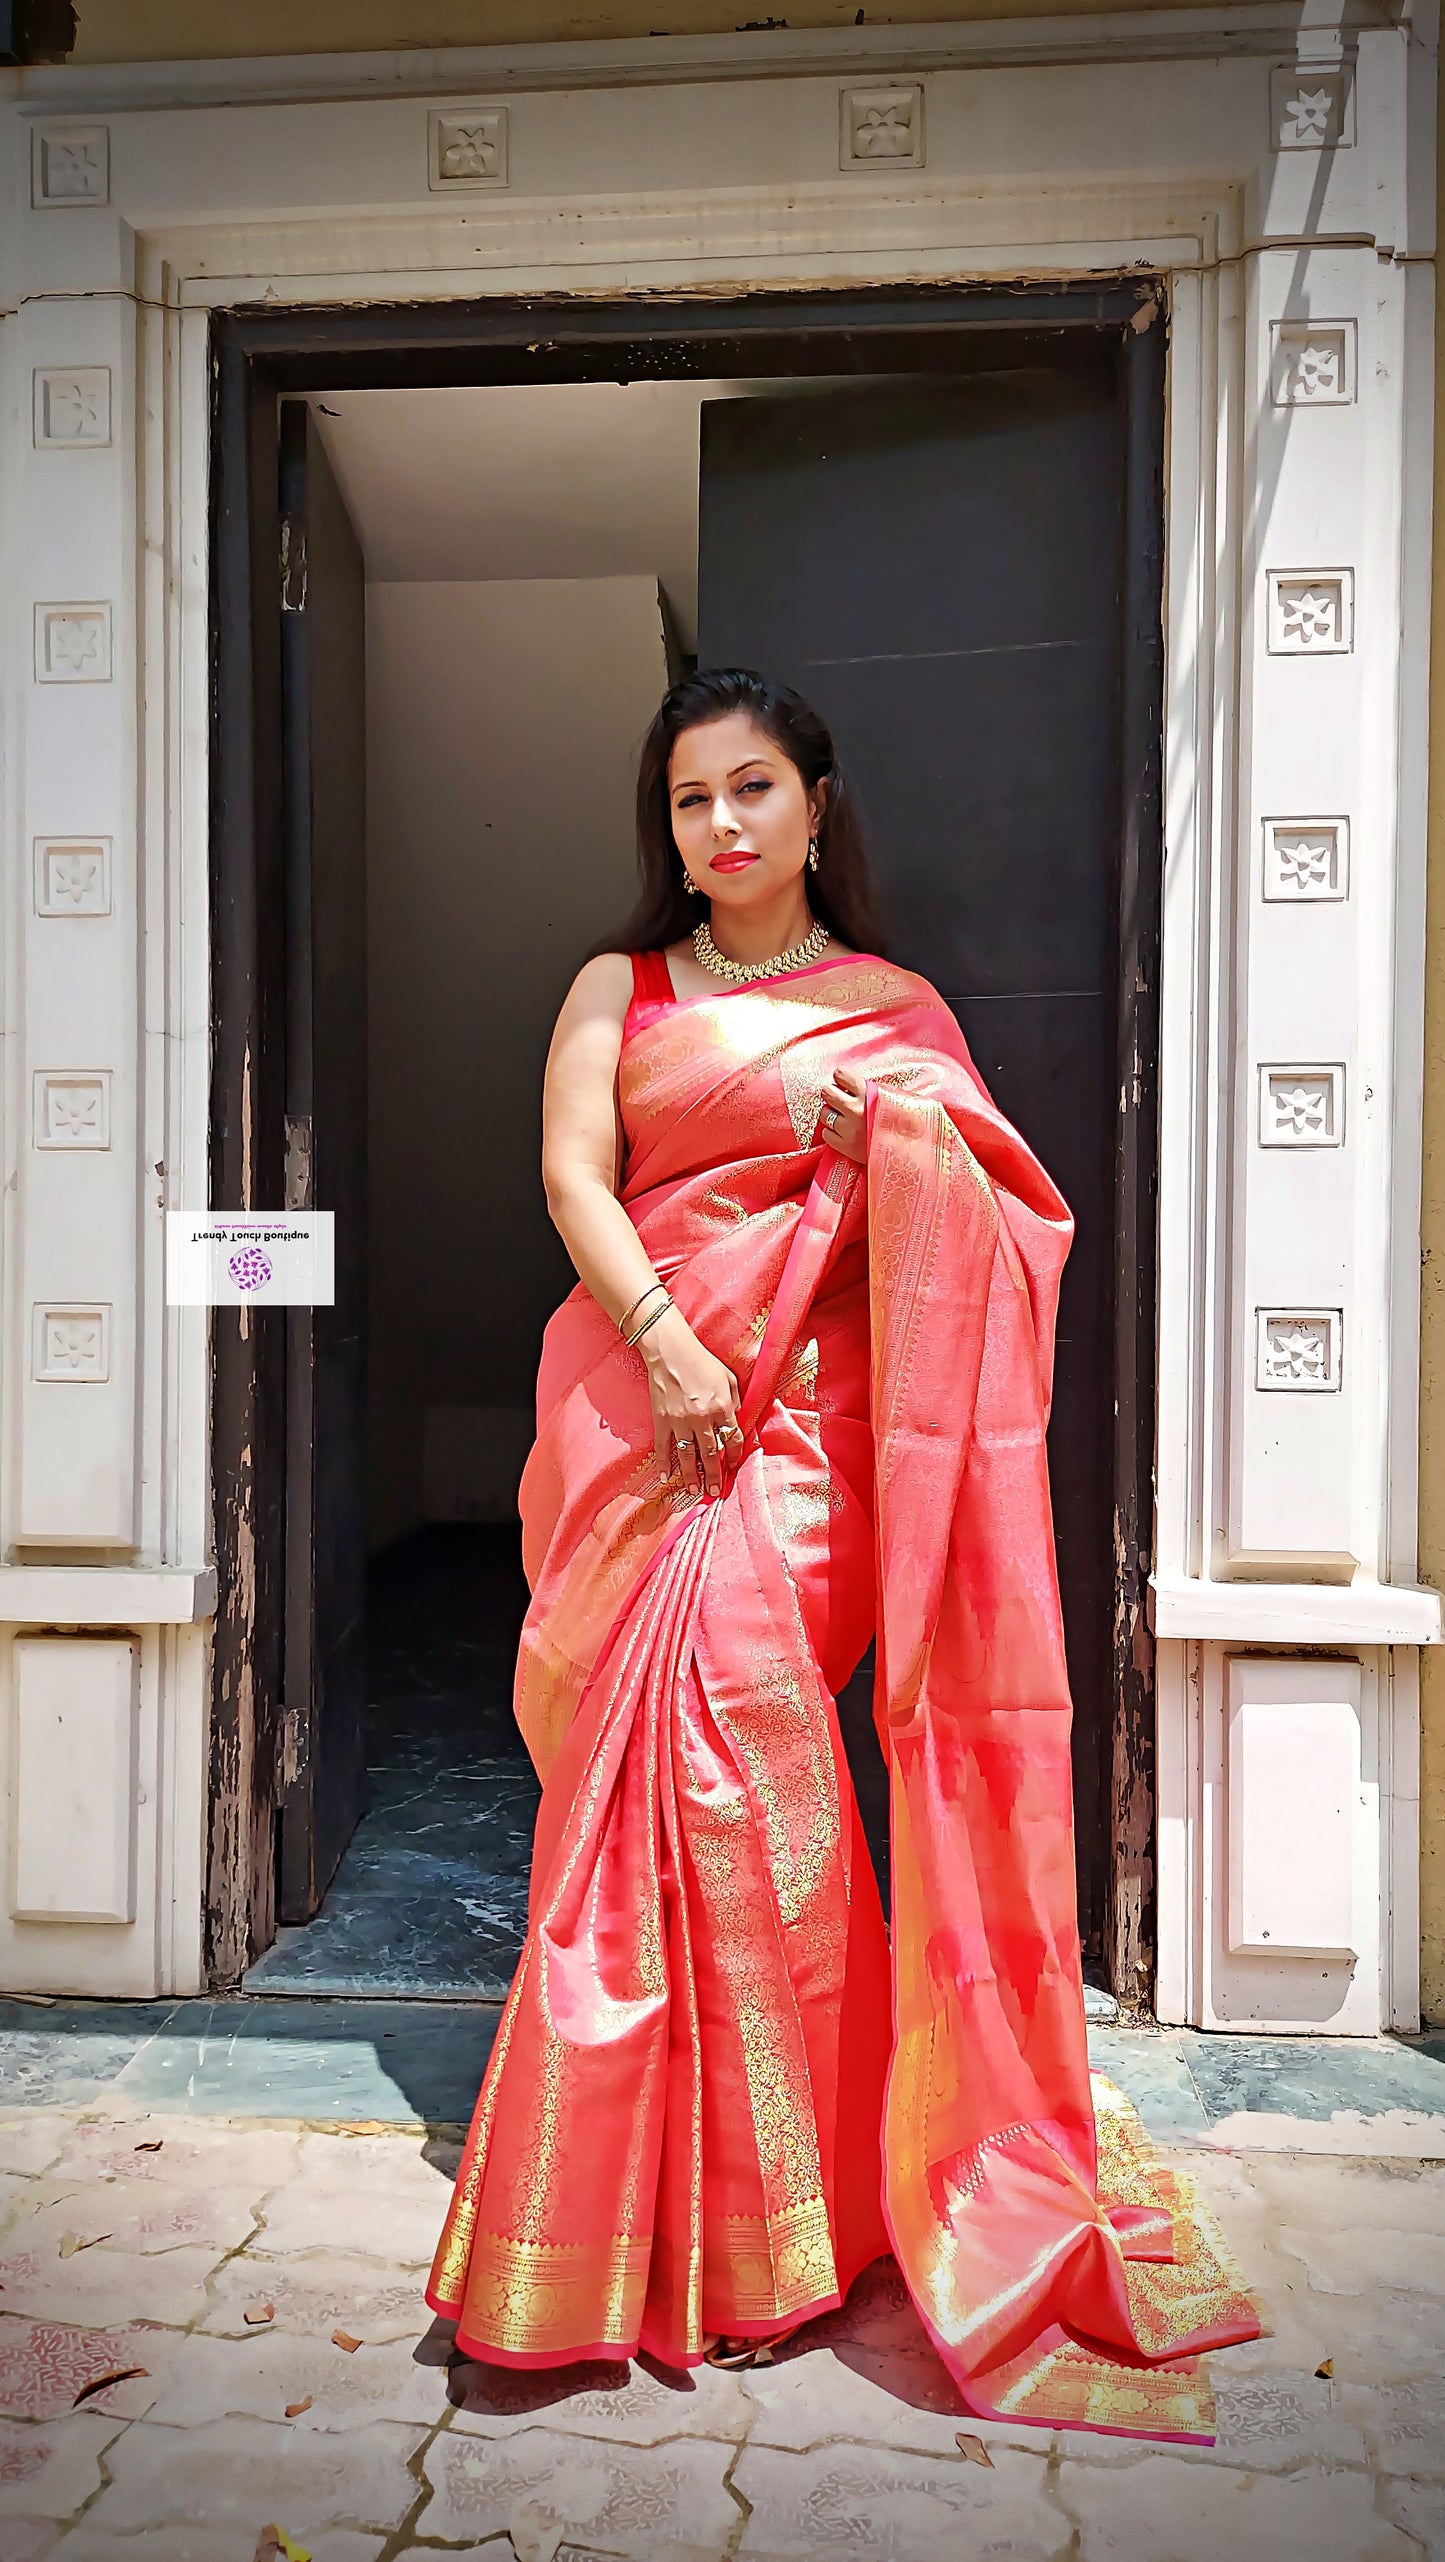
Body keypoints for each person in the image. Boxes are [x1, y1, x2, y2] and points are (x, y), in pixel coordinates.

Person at [427, 667, 1257, 2435]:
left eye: (748, 790)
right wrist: (661, 1342)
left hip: (807, 1437)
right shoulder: (618, 985)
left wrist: (879, 1138)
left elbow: (1003, 1209)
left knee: (729, 1767)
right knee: (626, 1785)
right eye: (684, 801)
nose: (717, 827)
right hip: (638, 1409)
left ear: (815, 802)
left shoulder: (893, 1012)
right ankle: (649, 2210)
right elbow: (577, 1177)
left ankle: (761, 2222)